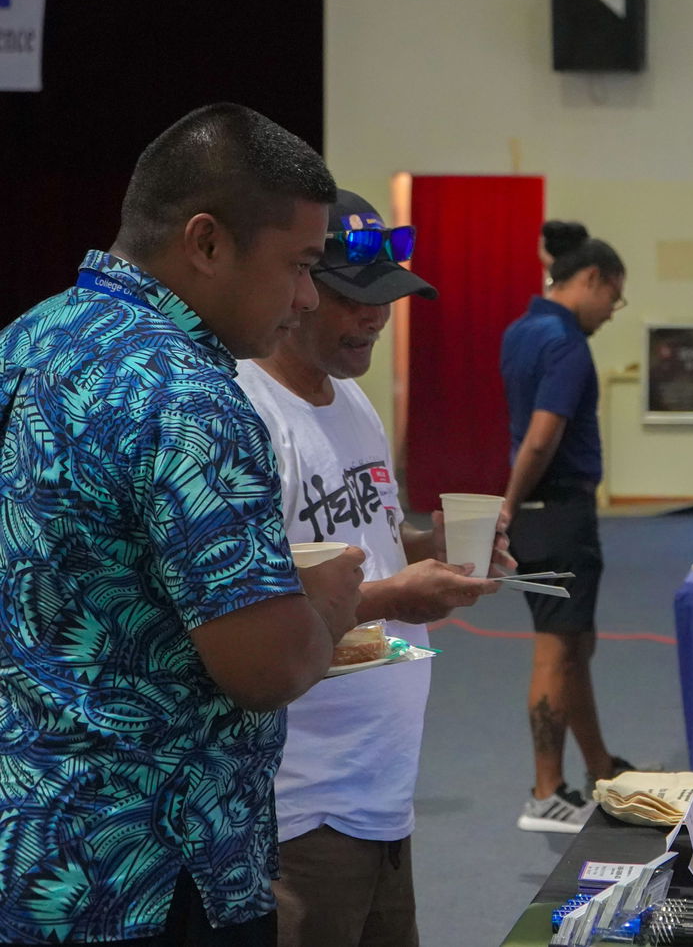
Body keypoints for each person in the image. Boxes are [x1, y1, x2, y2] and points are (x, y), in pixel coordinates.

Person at [0, 103, 366, 945]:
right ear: (206, 244)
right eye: (299, 266)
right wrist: (325, 604)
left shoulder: (31, 337)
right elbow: (266, 669)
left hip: (34, 847)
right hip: (154, 872)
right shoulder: (189, 399)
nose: (308, 297)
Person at [235, 189, 511, 947]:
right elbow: (249, 611)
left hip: (382, 789)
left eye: (387, 298)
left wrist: (438, 545)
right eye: (354, 299)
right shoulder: (246, 416)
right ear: (297, 289)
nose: (376, 317)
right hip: (301, 799)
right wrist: (400, 595)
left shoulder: (356, 405)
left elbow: (369, 544)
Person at [500, 220, 635, 832]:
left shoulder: (519, 331)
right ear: (591, 278)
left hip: (542, 516)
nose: (612, 311)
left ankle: (600, 766)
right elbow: (541, 438)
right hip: (556, 515)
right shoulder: (566, 345)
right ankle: (545, 791)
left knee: (576, 645)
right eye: (614, 296)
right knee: (556, 652)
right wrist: (508, 502)